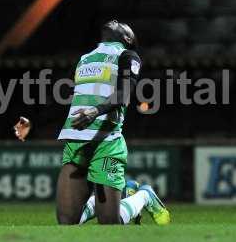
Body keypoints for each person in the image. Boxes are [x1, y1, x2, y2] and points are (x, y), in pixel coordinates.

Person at [55, 20, 167, 224]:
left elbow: (124, 94)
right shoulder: (85, 58)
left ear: (127, 38)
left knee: (109, 224)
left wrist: (94, 111)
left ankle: (143, 196)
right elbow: (66, 90)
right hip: (75, 142)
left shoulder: (127, 56)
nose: (115, 21)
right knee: (66, 223)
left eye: (121, 24)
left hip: (106, 143)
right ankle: (92, 205)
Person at [79, 180, 170, 225]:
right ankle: (126, 197)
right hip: (76, 145)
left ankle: (144, 195)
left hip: (106, 146)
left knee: (110, 222)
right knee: (69, 219)